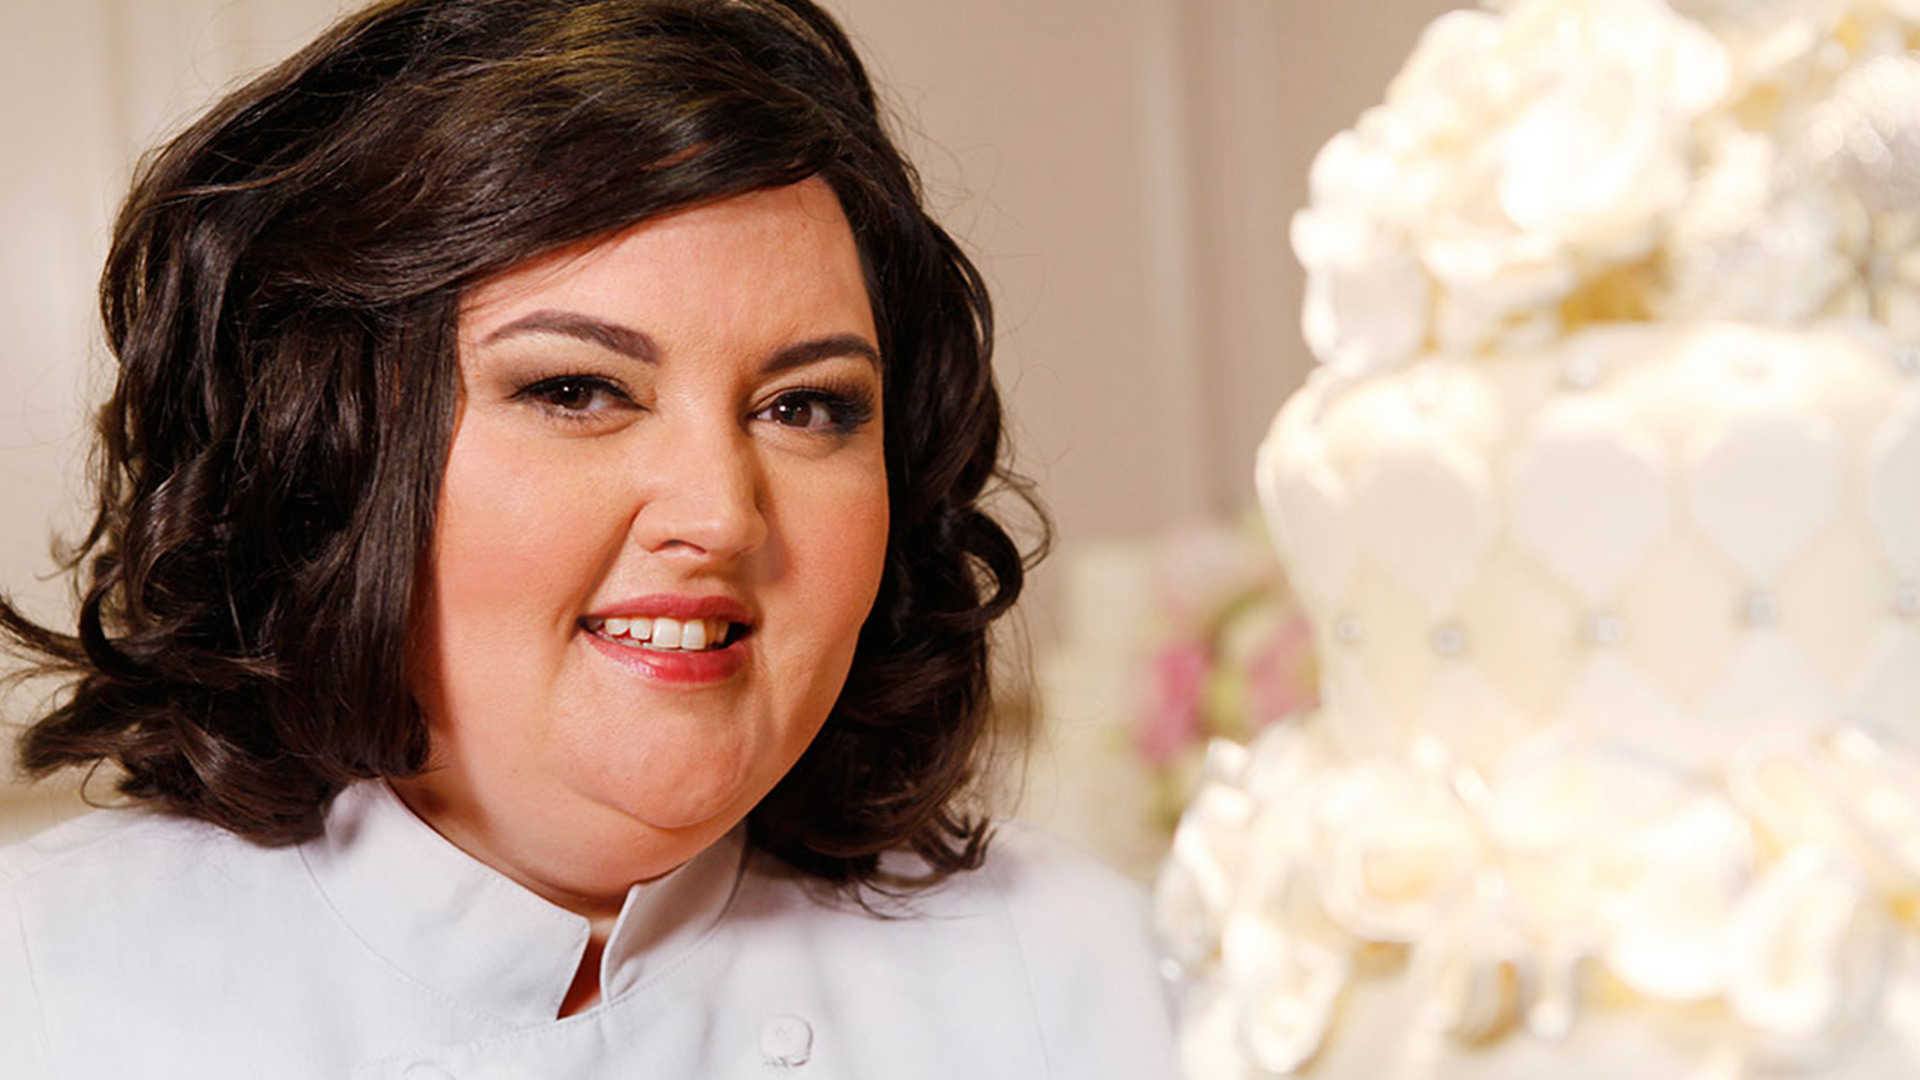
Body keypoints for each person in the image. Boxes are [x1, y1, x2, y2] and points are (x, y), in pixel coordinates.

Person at [0, 1, 1175, 1076]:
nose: (720, 515)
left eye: (804, 407)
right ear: (325, 453)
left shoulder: (1088, 973)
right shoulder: (43, 986)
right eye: (577, 390)